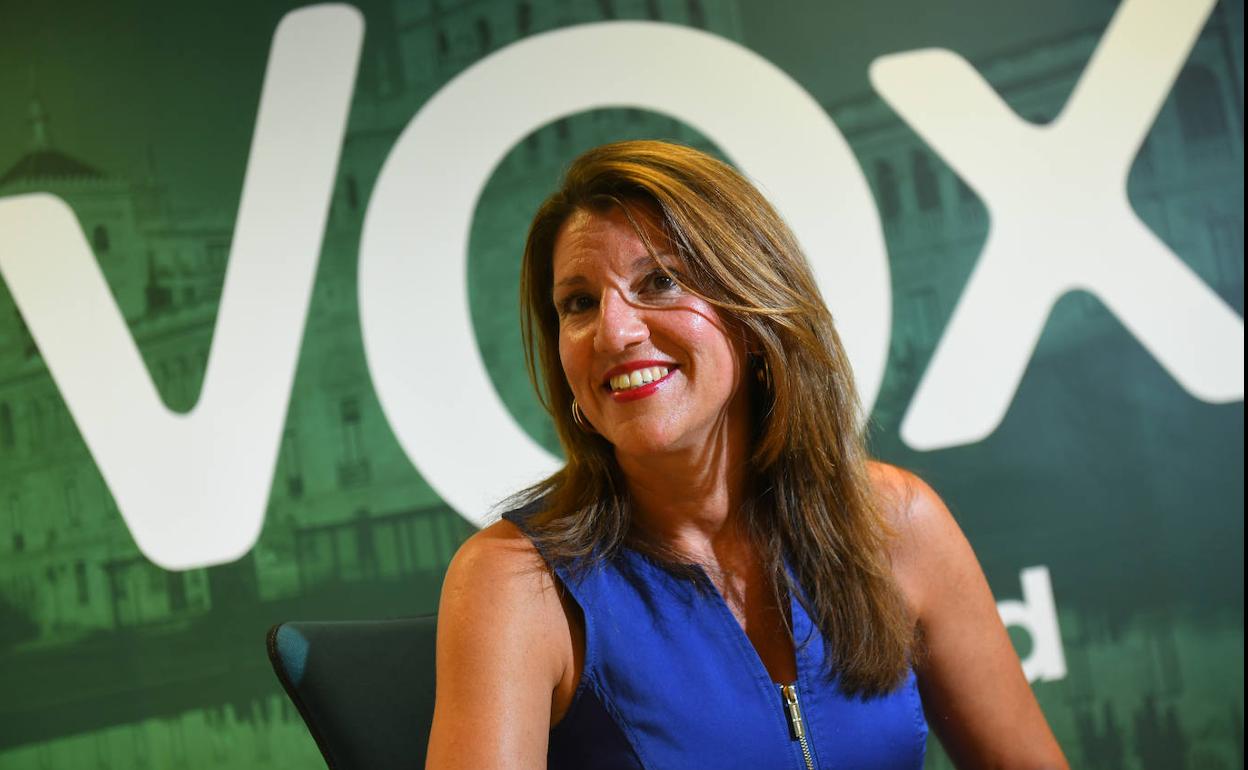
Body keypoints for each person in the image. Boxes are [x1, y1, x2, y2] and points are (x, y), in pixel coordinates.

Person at [425, 140, 1068, 769]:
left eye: (660, 281)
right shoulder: (515, 583)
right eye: (579, 303)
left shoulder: (897, 522)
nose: (613, 332)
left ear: (755, 314)